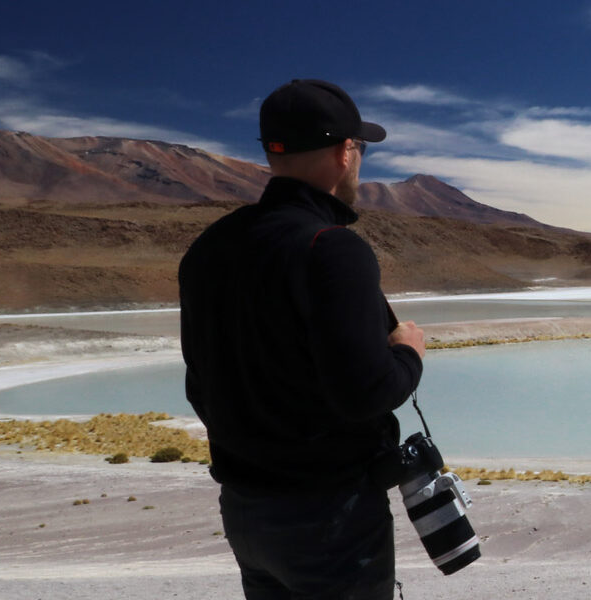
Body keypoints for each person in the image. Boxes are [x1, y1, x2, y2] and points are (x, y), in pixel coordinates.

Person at [179, 78, 425, 600]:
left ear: (273, 152)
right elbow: (366, 392)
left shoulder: (207, 249)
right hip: (329, 518)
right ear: (344, 152)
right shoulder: (332, 248)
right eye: (360, 148)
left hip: (245, 509)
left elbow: (200, 384)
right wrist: (408, 352)